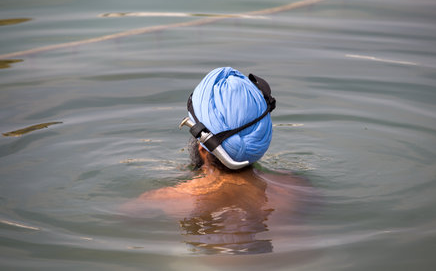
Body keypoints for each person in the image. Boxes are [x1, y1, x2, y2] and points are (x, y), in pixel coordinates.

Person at [123, 67, 310, 254]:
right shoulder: (298, 189)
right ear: (263, 136)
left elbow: (125, 217)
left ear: (202, 148)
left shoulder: (165, 199)